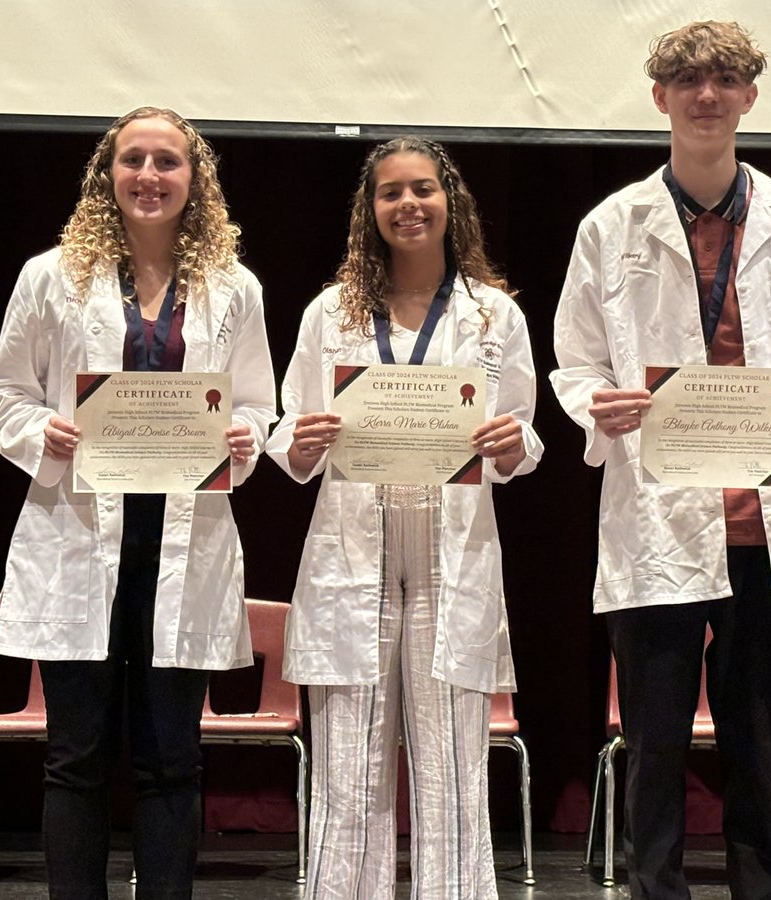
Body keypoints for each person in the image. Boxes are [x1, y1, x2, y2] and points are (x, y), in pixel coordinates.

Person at [551, 21, 771, 900]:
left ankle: (762, 892)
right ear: (659, 97)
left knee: (759, 740)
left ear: (749, 97)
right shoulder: (611, 225)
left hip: (767, 524)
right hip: (662, 518)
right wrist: (593, 404)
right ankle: (657, 892)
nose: (706, 95)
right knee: (653, 741)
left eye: (724, 79)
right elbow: (574, 361)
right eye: (687, 80)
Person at [0, 106, 277, 900]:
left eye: (167, 162)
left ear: (195, 179)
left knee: (172, 759)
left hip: (183, 544)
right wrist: (44, 428)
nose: (149, 175)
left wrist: (244, 437)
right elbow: (2, 393)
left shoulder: (232, 288)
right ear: (107, 174)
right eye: (133, 159)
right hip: (79, 538)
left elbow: (254, 403)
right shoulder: (52, 277)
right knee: (74, 758)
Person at [266, 136, 542, 899]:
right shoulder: (332, 313)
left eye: (423, 189)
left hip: (450, 549)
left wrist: (513, 443)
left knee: (453, 766)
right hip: (354, 543)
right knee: (348, 765)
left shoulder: (494, 315)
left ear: (450, 202)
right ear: (371, 209)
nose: (408, 204)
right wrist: (302, 437)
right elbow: (287, 430)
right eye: (391, 193)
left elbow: (523, 433)